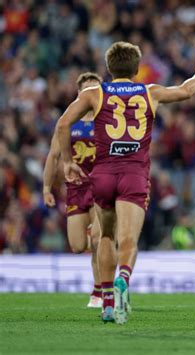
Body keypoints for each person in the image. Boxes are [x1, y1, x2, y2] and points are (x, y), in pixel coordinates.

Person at [56, 42, 195, 324]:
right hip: (134, 173)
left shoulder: (95, 93)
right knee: (128, 239)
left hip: (102, 174)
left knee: (104, 236)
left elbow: (63, 124)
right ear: (137, 68)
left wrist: (67, 162)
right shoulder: (149, 91)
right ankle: (123, 279)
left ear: (108, 68)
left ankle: (105, 301)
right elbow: (187, 91)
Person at [43, 72, 104, 308]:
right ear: (79, 94)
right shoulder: (68, 122)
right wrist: (47, 187)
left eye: (95, 89)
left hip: (101, 186)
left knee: (99, 240)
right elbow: (53, 156)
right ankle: (104, 245)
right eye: (87, 90)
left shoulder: (108, 121)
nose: (91, 94)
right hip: (76, 189)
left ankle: (100, 291)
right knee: (79, 246)